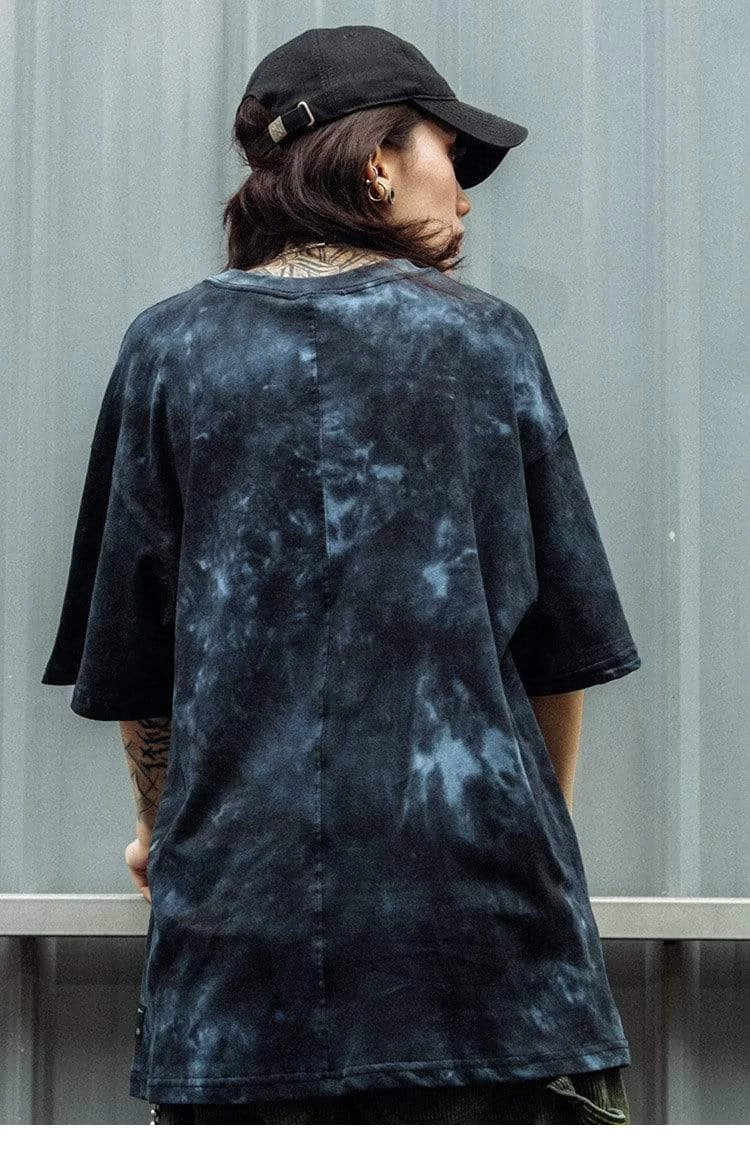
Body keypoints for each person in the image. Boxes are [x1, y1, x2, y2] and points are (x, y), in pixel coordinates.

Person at [41, 25, 640, 1125]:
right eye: (450, 153)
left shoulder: (168, 352)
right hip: (488, 964)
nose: (465, 192)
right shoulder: (488, 344)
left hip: (240, 971)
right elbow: (558, 652)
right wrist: (528, 836)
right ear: (376, 164)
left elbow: (138, 669)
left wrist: (163, 834)